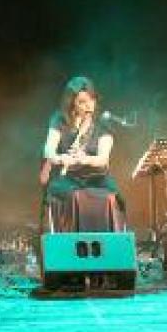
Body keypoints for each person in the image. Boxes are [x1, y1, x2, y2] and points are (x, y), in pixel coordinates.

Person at [40, 76, 125, 232]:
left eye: (91, 100)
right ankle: (71, 240)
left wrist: (84, 159)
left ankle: (106, 239)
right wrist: (61, 158)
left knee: (112, 198)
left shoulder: (103, 124)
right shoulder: (60, 119)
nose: (89, 106)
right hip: (68, 178)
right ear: (72, 103)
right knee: (72, 196)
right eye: (82, 102)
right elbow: (48, 150)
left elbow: (103, 159)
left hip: (97, 178)